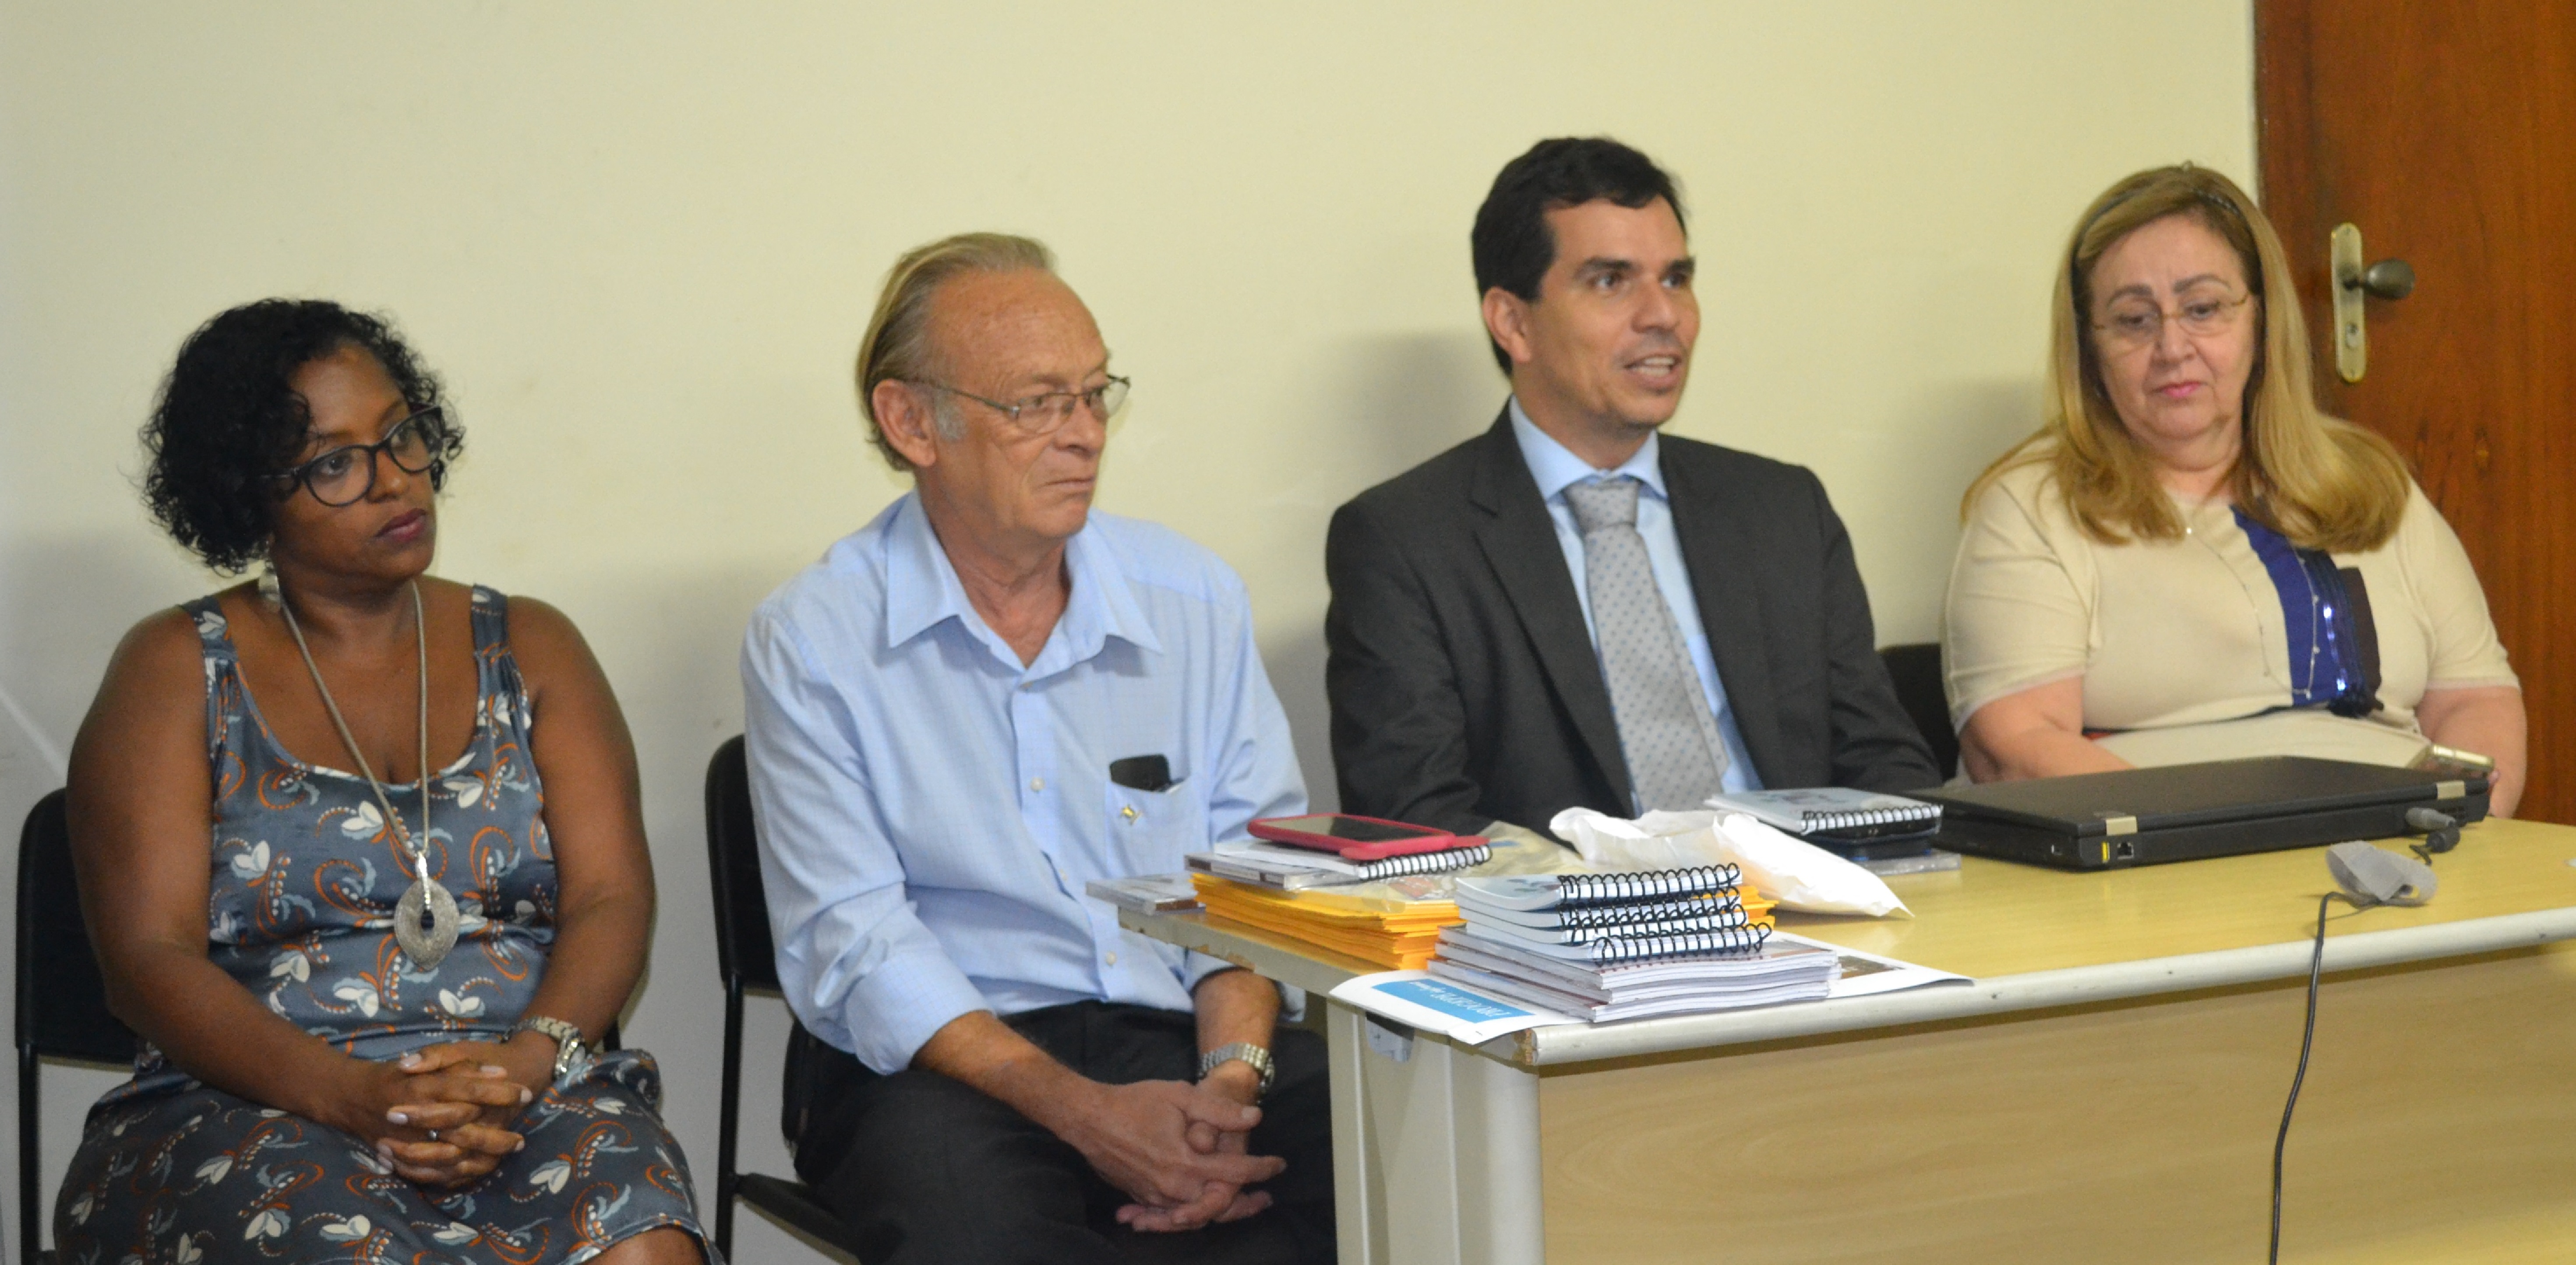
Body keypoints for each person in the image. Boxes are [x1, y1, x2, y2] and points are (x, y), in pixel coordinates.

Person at [56, 300, 710, 1262]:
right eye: (333, 464)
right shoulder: (176, 670)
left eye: (401, 433)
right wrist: (358, 1097)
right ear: (250, 497)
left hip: (520, 1090)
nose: (394, 477)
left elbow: (611, 896)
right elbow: (148, 960)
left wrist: (528, 1064)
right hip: (254, 1107)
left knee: (643, 1239)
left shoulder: (533, 647)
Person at [741, 233, 1332, 1264]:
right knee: (980, 1233)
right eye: (1038, 404)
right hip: (944, 1062)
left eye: (1095, 394)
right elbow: (857, 942)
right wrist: (1088, 1113)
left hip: (1187, 1035)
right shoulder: (816, 637)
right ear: (910, 421)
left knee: (1423, 1155)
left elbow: (1252, 880)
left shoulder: (1191, 599)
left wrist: (1228, 1089)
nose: (1086, 434)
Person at [1325, 137, 1938, 838]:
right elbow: (1417, 825)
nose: (1662, 316)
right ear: (1513, 322)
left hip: (1806, 896)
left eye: (1675, 279)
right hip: (1574, 905)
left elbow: (1886, 770)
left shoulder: (1781, 510)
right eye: (1610, 282)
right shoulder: (1405, 541)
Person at [1943, 165, 2527, 814]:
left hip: (2402, 848)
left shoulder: (2365, 482)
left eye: (2202, 309)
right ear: (2088, 347)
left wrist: (2463, 829)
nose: (2172, 347)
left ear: (2262, 319)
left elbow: (2477, 700)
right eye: (2133, 320)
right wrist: (2219, 842)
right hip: (2162, 856)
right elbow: (2016, 748)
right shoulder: (2032, 506)